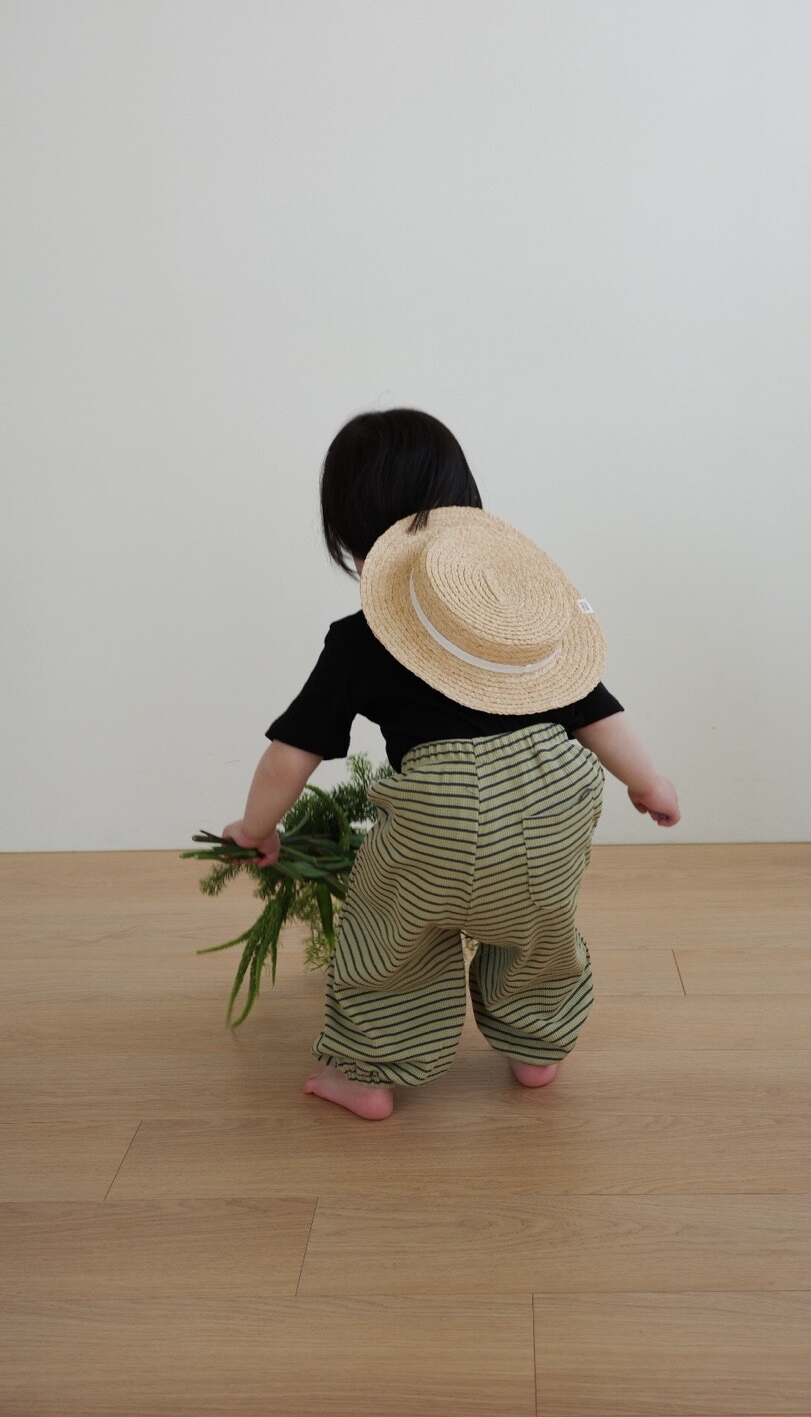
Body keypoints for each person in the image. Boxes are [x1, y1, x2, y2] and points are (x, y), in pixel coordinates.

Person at [222, 409, 680, 1120]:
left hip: (443, 819)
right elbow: (595, 707)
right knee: (539, 930)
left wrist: (255, 829)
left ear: (349, 534)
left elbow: (291, 756)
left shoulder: (360, 639)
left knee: (390, 935)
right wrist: (648, 782)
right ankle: (537, 1047)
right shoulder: (521, 623)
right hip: (555, 806)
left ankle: (368, 1074)